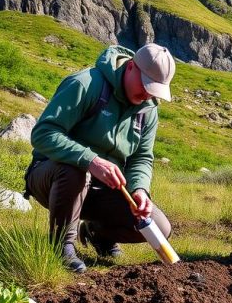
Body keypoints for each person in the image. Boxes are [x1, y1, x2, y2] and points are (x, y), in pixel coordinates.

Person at [25, 43, 175, 273]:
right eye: (145, 85)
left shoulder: (148, 109)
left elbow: (141, 157)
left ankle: (97, 233)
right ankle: (62, 246)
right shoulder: (86, 84)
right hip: (53, 178)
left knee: (159, 228)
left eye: (154, 91)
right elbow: (43, 134)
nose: (147, 94)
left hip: (103, 190)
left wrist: (140, 190)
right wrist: (90, 160)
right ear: (131, 67)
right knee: (75, 170)